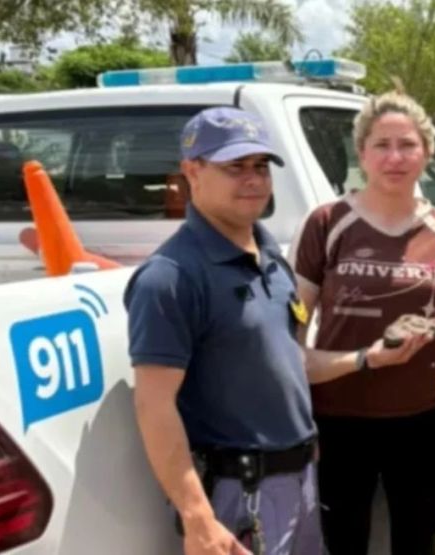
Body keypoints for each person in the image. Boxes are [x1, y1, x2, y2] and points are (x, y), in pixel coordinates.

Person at [288, 90, 435, 555]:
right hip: (338, 419)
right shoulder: (326, 223)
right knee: (343, 544)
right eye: (382, 145)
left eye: (408, 145)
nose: (395, 158)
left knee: (417, 544)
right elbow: (288, 346)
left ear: (427, 154)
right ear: (362, 154)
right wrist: (362, 360)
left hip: (420, 421)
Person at [125, 107, 322, 555]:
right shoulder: (170, 277)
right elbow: (153, 406)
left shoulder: (271, 256)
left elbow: (287, 363)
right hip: (239, 495)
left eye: (260, 166)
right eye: (235, 167)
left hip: (299, 483)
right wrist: (198, 518)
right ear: (192, 172)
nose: (253, 179)